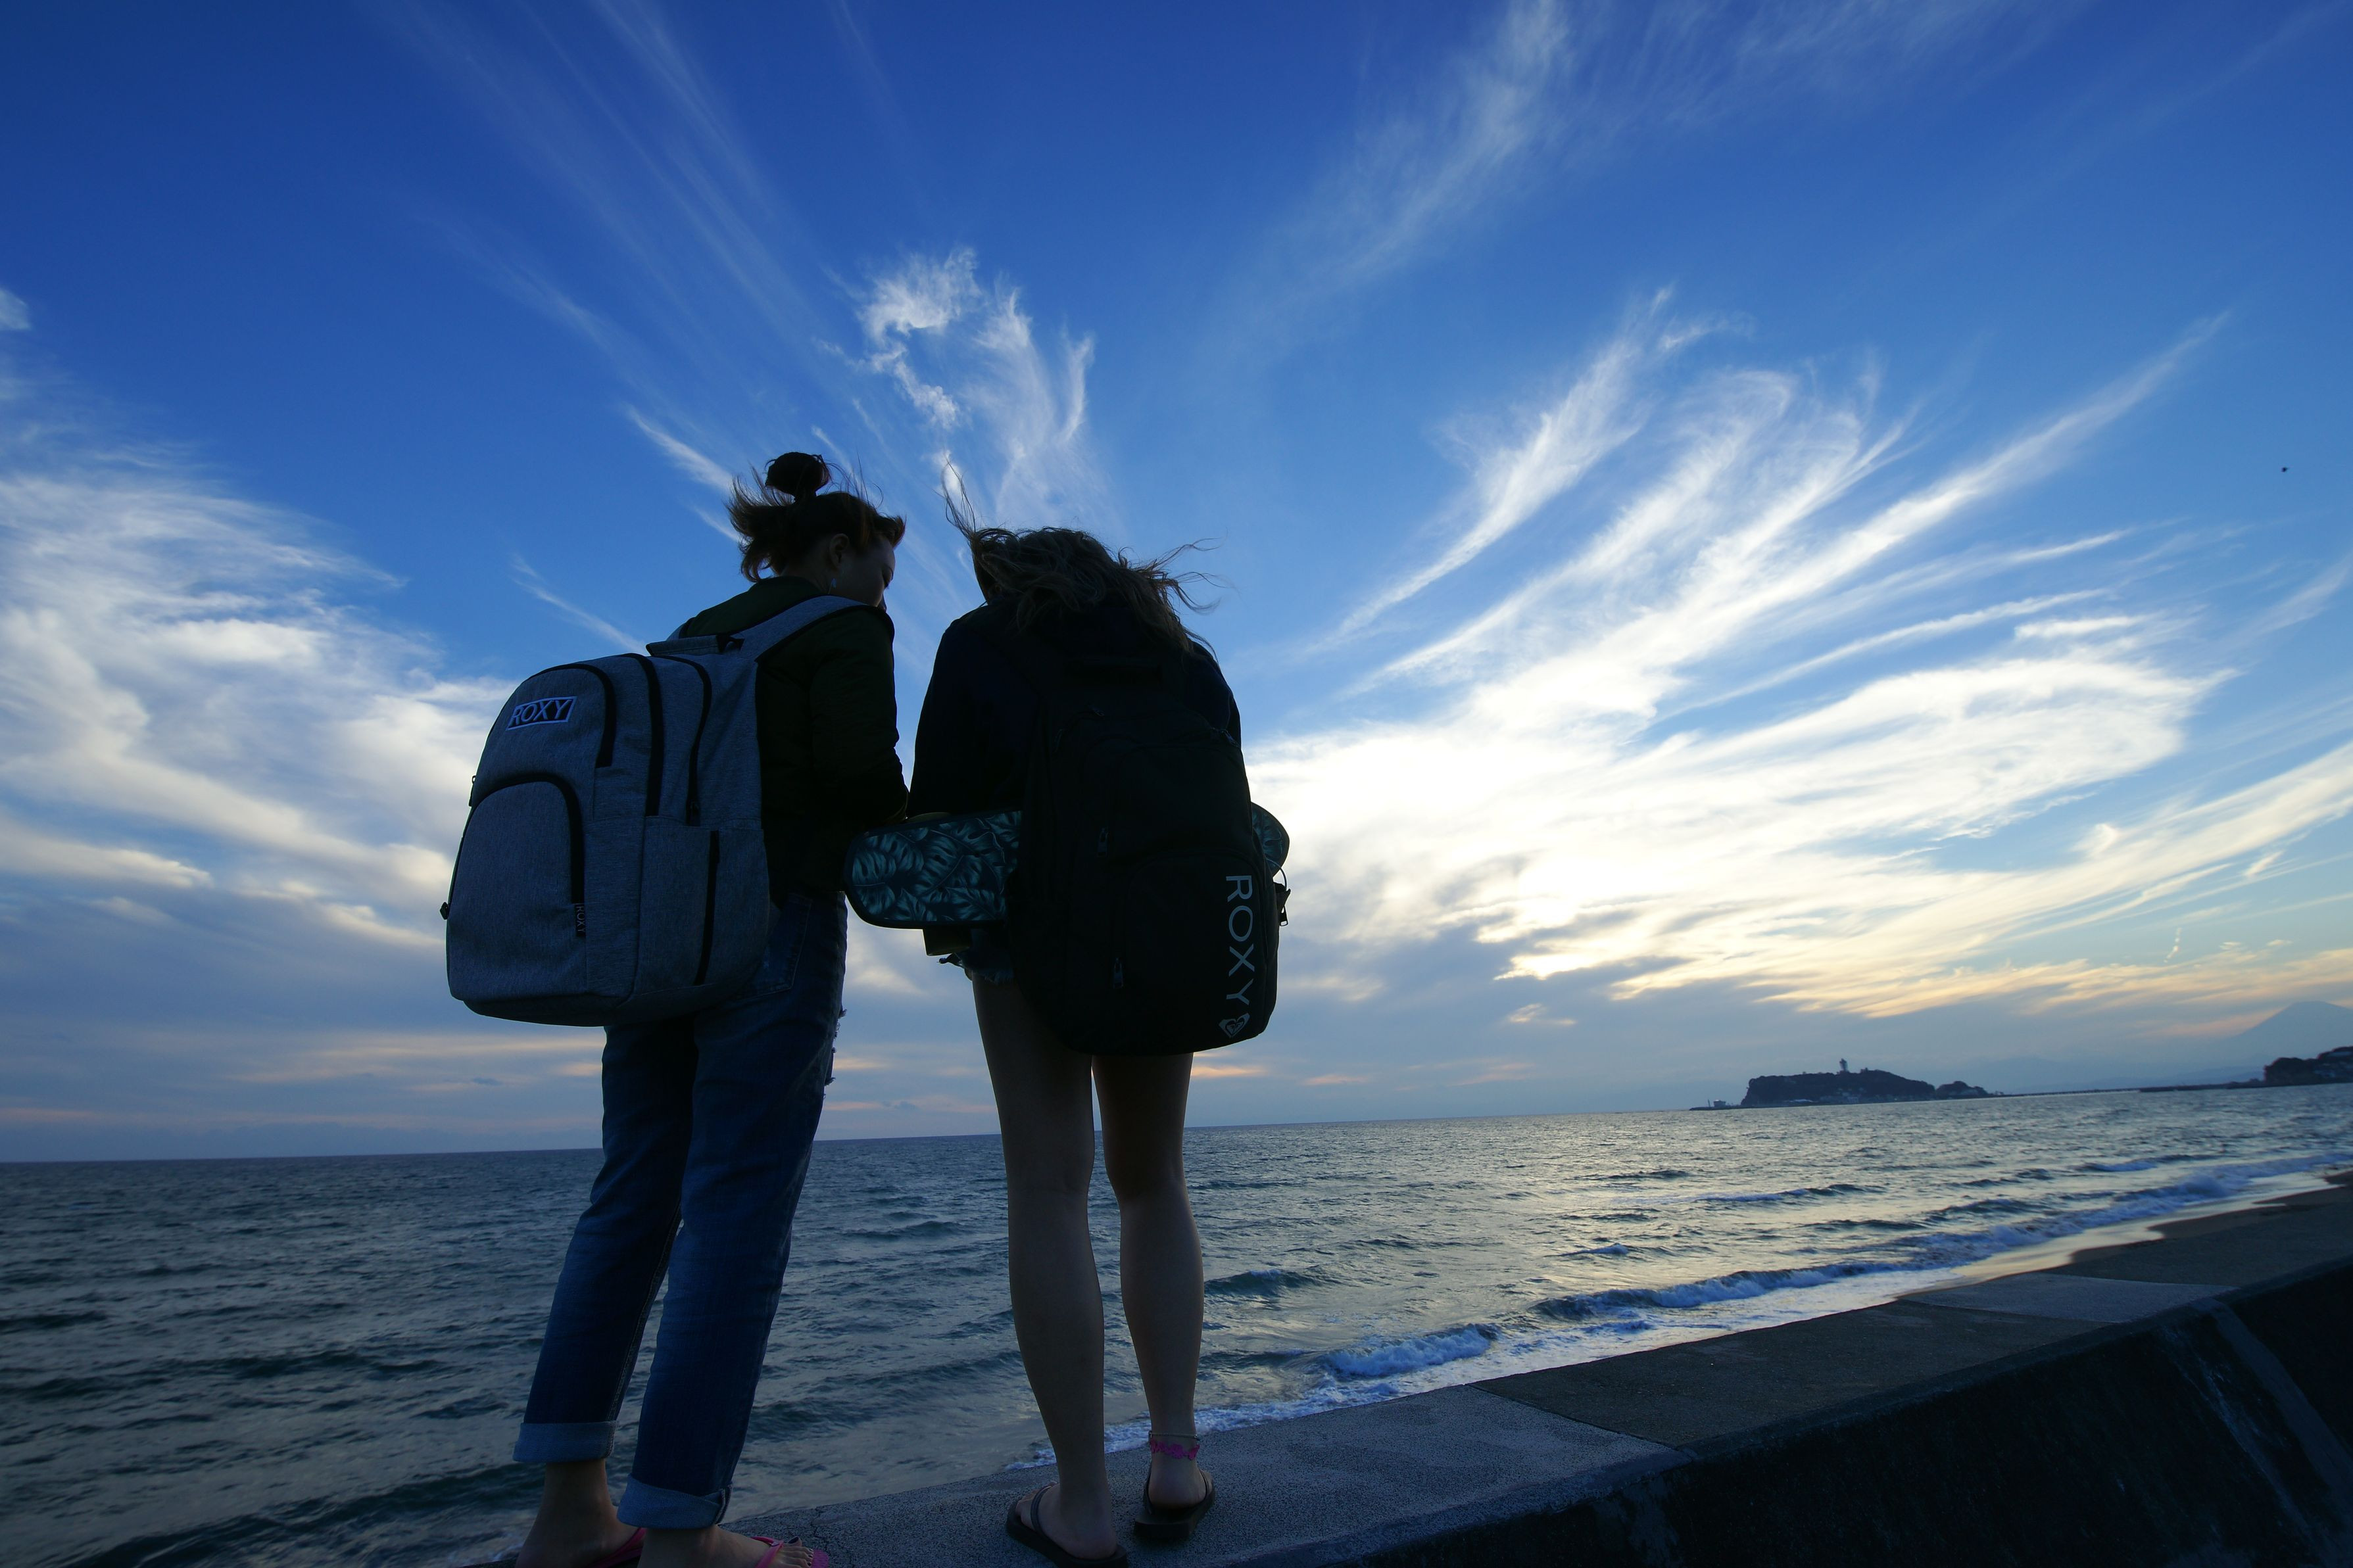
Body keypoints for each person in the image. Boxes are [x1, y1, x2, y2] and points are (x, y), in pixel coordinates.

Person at [512, 454, 906, 1568]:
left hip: (653, 940)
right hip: (769, 925)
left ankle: (568, 1515)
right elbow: (861, 779)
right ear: (839, 551)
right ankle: (684, 1533)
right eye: (880, 572)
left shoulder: (696, 633)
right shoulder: (844, 628)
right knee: (735, 1211)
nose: (883, 594)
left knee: (628, 1200)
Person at [910, 517, 1232, 1568]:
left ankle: (1083, 1505)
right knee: (1154, 1182)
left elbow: (937, 812)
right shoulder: (1182, 658)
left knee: (1048, 1187)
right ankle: (1175, 1465)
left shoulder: (980, 641)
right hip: (1165, 937)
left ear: (1012, 575)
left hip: (1025, 937)